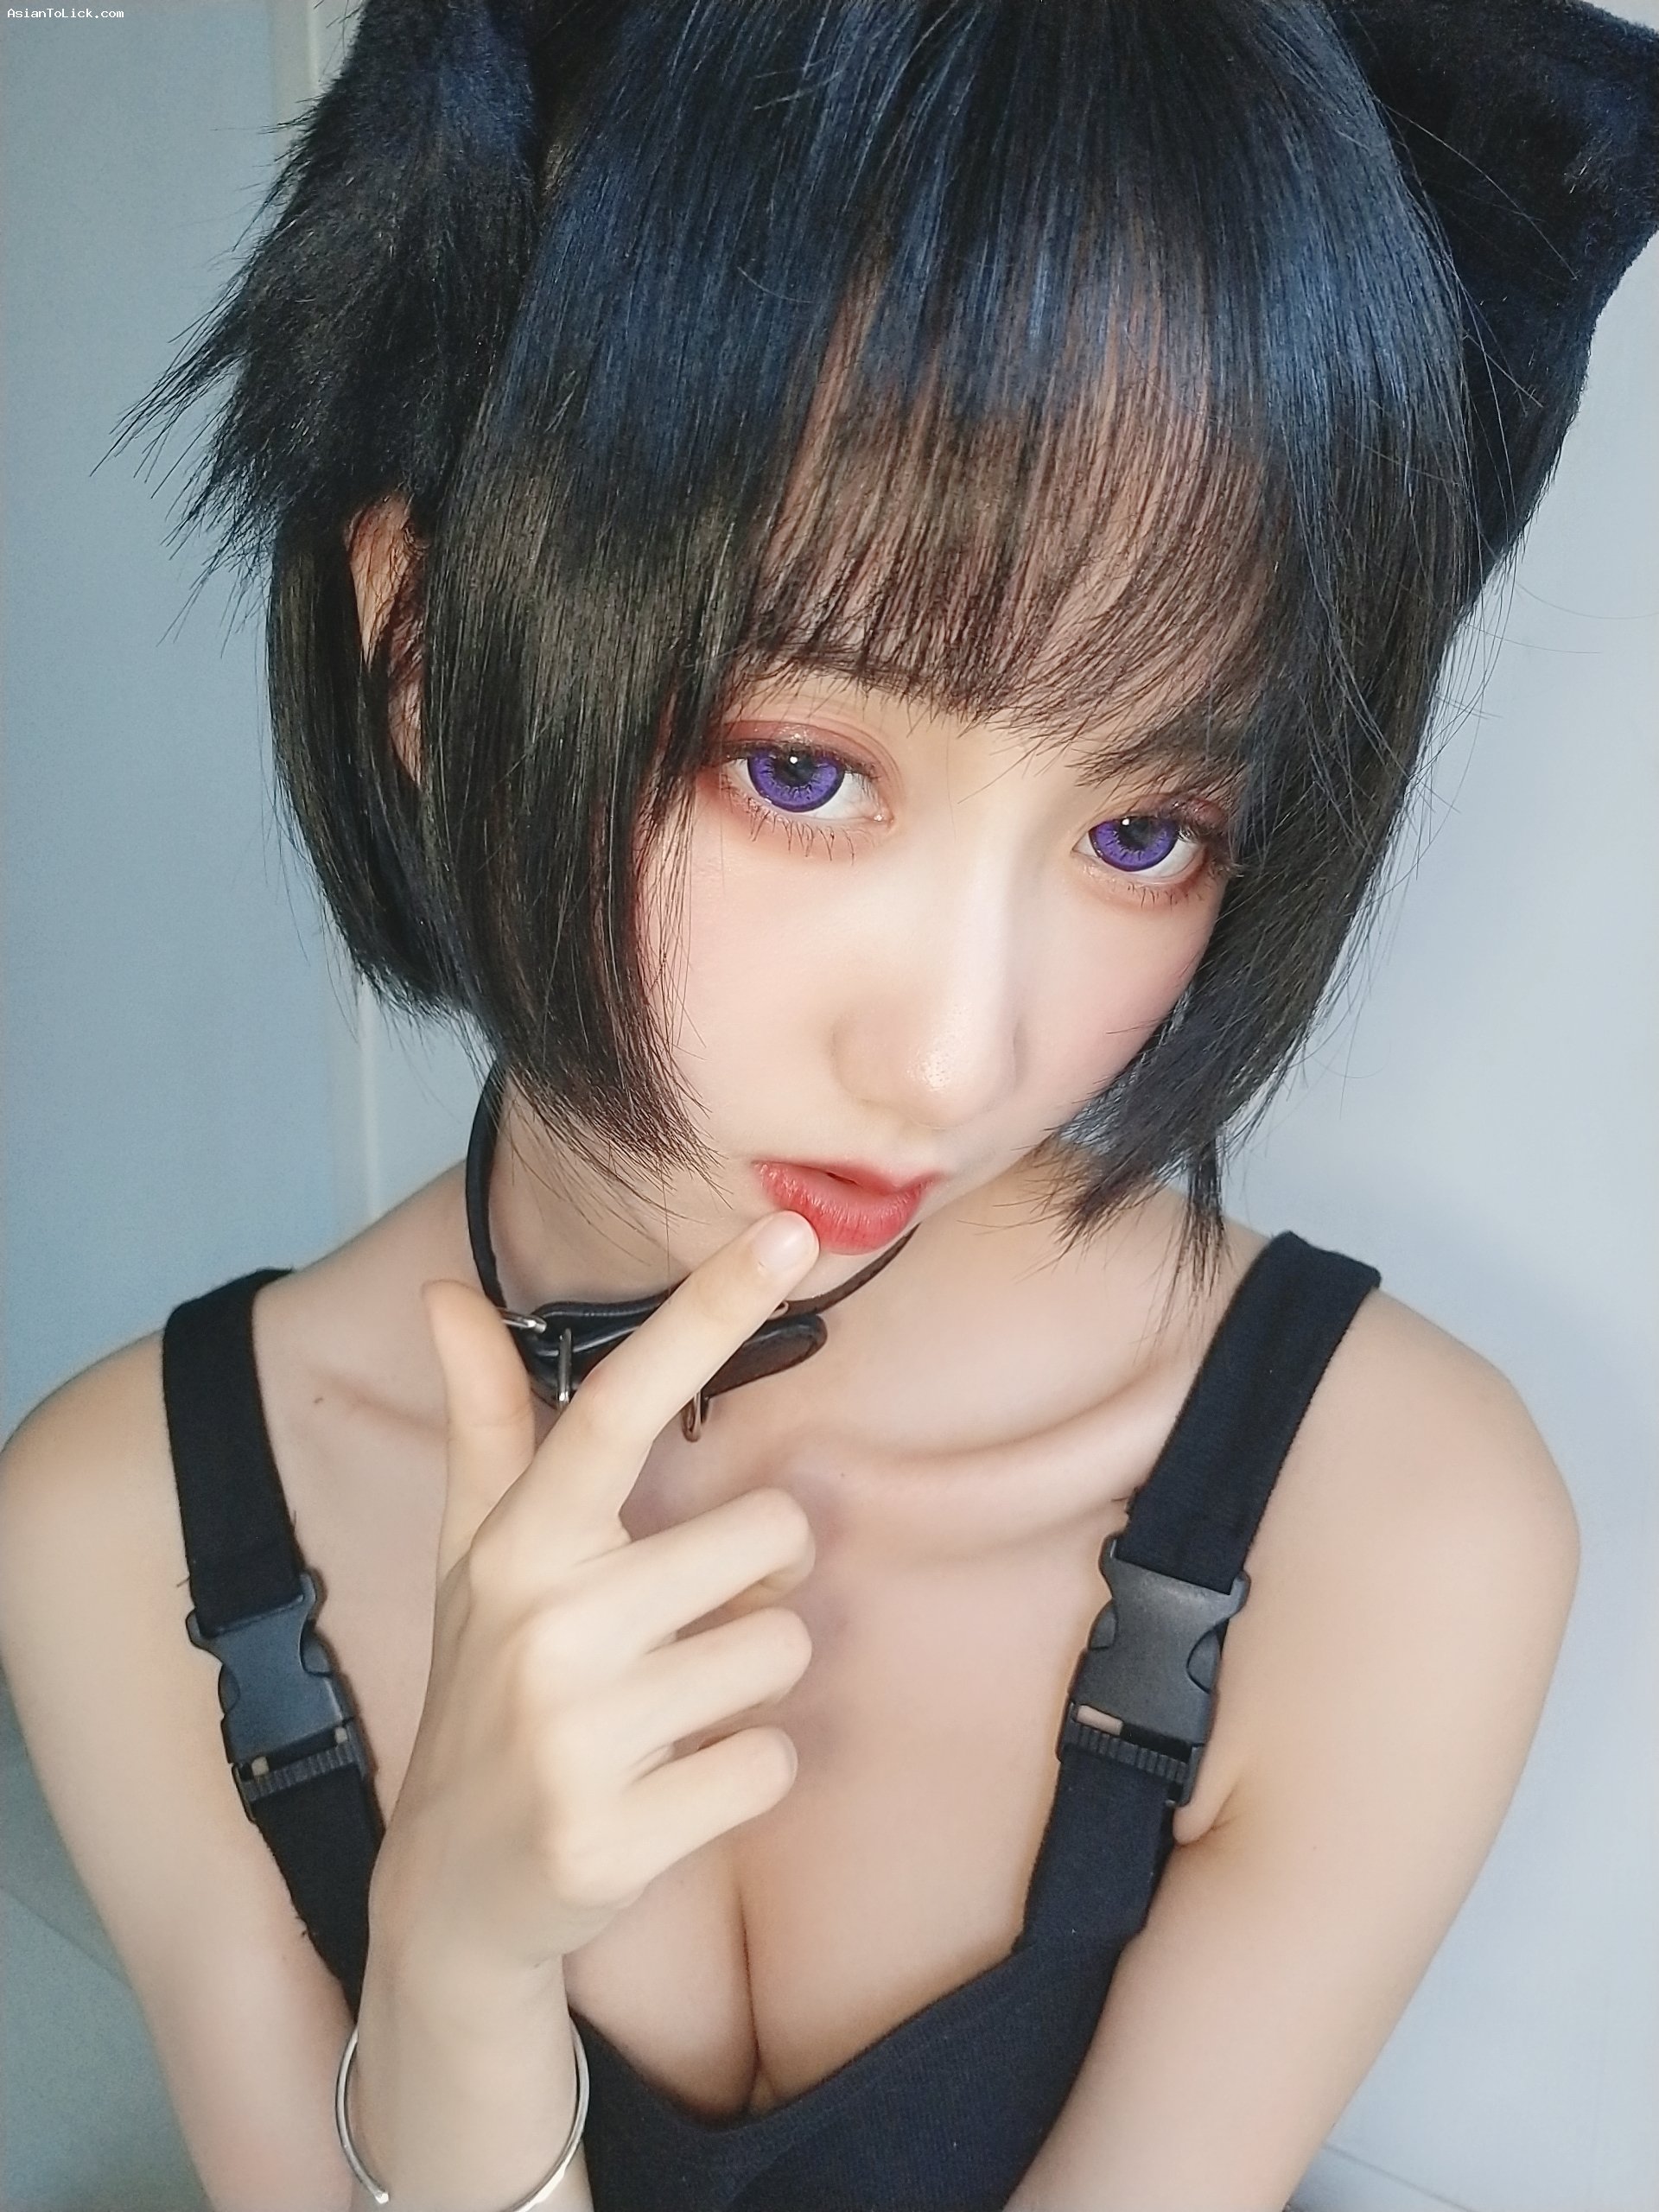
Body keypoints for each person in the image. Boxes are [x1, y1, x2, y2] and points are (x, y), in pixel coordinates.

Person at [2, 2, 1655, 2208]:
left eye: (1141, 829)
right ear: (421, 644)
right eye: (801, 770)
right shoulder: (126, 1532)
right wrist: (459, 1974)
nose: (960, 1057)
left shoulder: (1394, 1520)